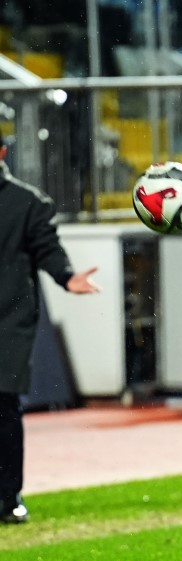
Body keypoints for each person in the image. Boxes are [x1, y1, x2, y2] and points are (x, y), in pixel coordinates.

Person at [0, 139, 99, 524]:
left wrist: (67, 276)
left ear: (3, 152)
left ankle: (8, 497)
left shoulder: (28, 202)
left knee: (5, 408)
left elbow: (48, 248)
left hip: (8, 321)